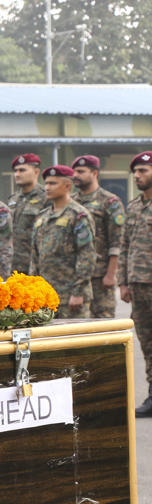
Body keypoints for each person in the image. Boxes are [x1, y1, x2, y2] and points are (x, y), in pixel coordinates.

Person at [31, 165, 96, 319]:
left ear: (67, 186)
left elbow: (87, 255)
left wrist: (78, 292)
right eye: (46, 183)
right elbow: (35, 257)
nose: (47, 187)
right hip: (46, 295)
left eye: (53, 183)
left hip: (70, 296)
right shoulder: (42, 217)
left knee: (75, 341)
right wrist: (33, 288)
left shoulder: (78, 215)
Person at [119, 151, 152, 417]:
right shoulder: (133, 206)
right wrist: (123, 282)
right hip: (139, 286)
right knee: (147, 343)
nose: (138, 176)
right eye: (136, 172)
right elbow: (125, 245)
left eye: (143, 170)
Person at [71, 155, 125, 318]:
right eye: (74, 172)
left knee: (103, 320)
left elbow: (117, 241)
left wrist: (110, 274)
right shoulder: (72, 201)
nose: (75, 175)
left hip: (100, 276)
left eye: (81, 171)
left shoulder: (109, 202)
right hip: (76, 274)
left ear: (94, 173)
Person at [8, 153, 48, 274]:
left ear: (36, 172)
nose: (17, 174)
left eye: (22, 170)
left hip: (35, 266)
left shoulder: (46, 198)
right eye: (16, 171)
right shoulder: (13, 199)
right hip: (14, 266)